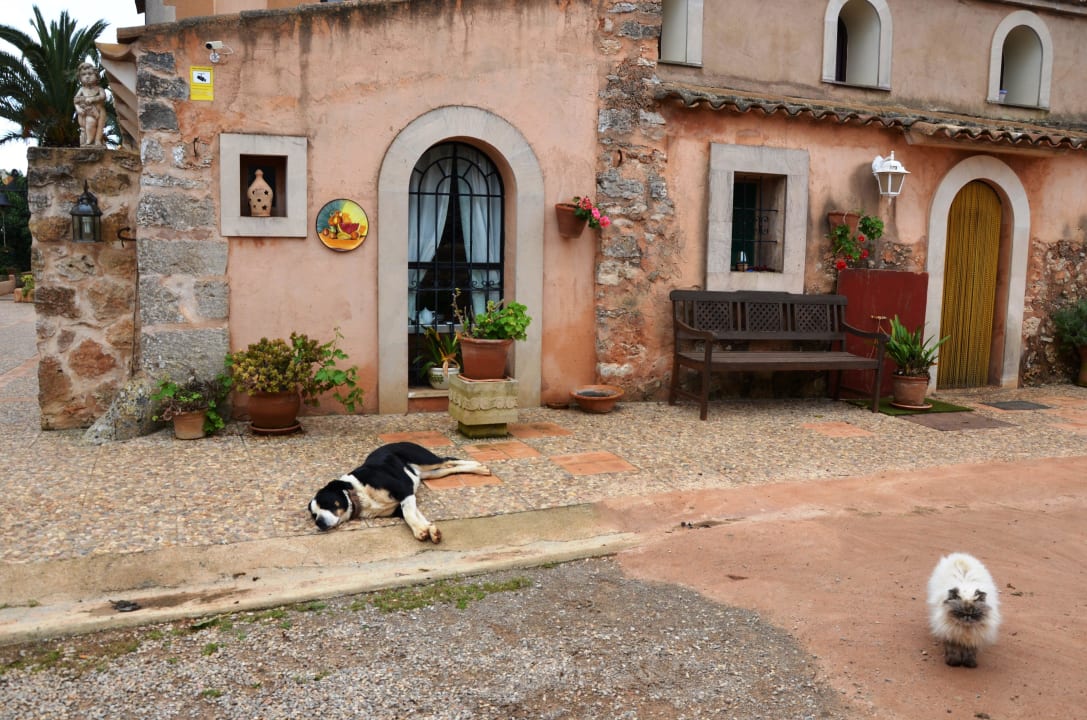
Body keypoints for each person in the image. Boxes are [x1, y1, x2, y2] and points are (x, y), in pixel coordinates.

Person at [73, 61, 106, 147]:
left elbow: (102, 96)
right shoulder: (81, 89)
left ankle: (97, 140)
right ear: (80, 77)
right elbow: (75, 101)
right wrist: (78, 109)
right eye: (83, 74)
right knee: (90, 123)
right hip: (87, 113)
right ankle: (89, 140)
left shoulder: (99, 89)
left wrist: (93, 99)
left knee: (100, 127)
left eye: (90, 74)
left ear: (96, 75)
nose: (87, 76)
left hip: (100, 112)